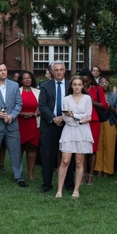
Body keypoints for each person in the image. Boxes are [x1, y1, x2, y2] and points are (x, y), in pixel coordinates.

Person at [55, 75, 93, 198]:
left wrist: (74, 115)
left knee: (79, 162)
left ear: (83, 86)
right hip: (69, 131)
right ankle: (59, 190)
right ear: (71, 86)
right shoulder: (66, 99)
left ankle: (76, 190)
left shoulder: (87, 98)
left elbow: (88, 116)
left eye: (79, 84)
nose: (77, 87)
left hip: (83, 132)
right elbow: (66, 117)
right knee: (65, 160)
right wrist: (78, 118)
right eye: (74, 84)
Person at [36, 61, 68, 193]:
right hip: (49, 126)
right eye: (56, 70)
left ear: (65, 71)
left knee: (67, 157)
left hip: (67, 125)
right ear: (52, 72)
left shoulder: (72, 85)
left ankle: (68, 183)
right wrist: (53, 118)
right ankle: (47, 184)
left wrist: (63, 118)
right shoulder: (44, 85)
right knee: (48, 156)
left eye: (61, 69)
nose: (59, 72)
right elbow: (42, 105)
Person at [82, 71, 107, 184]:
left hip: (94, 121)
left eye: (87, 81)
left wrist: (92, 102)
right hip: (81, 121)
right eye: (83, 81)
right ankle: (82, 174)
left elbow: (104, 105)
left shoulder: (97, 89)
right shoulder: (78, 88)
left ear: (91, 80)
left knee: (92, 150)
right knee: (82, 150)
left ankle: (91, 175)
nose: (84, 83)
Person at [16, 70, 40, 181]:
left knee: (32, 149)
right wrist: (21, 114)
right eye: (24, 78)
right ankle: (18, 173)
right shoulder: (16, 91)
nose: (27, 80)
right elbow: (11, 107)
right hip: (19, 123)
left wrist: (34, 114)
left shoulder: (38, 92)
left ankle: (31, 173)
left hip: (33, 123)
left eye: (29, 78)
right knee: (19, 149)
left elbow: (42, 108)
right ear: (21, 80)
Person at [95, 76, 117, 177]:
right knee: (99, 146)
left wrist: (110, 107)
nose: (104, 85)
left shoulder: (114, 96)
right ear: (98, 85)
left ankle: (108, 170)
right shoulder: (96, 96)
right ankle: (98, 169)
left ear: (109, 84)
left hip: (110, 122)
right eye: (102, 83)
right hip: (98, 122)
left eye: (106, 83)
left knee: (109, 146)